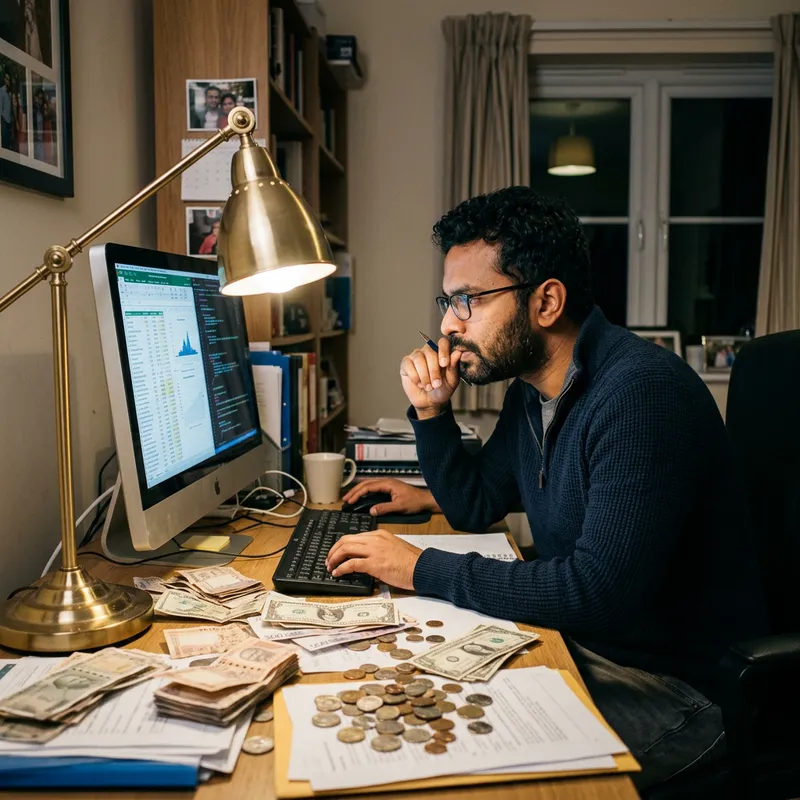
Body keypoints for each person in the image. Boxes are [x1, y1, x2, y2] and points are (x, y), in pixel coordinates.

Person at [328, 186, 767, 791]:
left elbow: (594, 592)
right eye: (447, 300)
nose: (447, 326)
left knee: (460, 774)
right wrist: (431, 415)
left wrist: (418, 567)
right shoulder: (532, 392)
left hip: (678, 692)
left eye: (467, 300)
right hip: (591, 648)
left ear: (547, 301)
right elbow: (476, 504)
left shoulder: (641, 395)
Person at [0, 72, 13, 150]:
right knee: (4, 143)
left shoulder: (10, 92)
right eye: (7, 79)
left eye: (9, 79)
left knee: (9, 143)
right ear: (4, 79)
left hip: (10, 121)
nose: (8, 81)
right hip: (4, 121)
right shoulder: (1, 91)